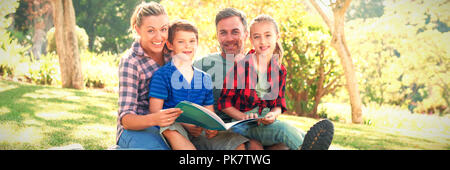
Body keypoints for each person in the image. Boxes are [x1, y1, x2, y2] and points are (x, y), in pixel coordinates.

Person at [148, 20, 251, 150]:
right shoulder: (162, 75)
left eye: (192, 41)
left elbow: (209, 113)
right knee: (170, 128)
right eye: (181, 42)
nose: (187, 46)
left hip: (198, 132)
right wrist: (185, 124)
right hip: (174, 129)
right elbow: (155, 111)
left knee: (235, 142)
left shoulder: (204, 78)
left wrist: (211, 127)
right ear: (170, 45)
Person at [116, 2, 182, 150]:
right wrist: (155, 118)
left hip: (170, 126)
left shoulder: (173, 52)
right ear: (137, 29)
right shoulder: (130, 62)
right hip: (137, 130)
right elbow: (126, 119)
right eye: (151, 31)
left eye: (163, 29)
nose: (159, 37)